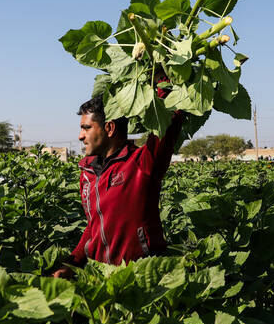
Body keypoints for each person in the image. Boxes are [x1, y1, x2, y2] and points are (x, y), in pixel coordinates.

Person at [52, 93, 184, 279]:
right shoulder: (87, 173)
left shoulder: (142, 162)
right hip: (101, 277)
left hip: (142, 276)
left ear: (110, 128)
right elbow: (93, 227)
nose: (80, 136)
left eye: (86, 128)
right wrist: (72, 263)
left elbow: (168, 122)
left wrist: (160, 76)